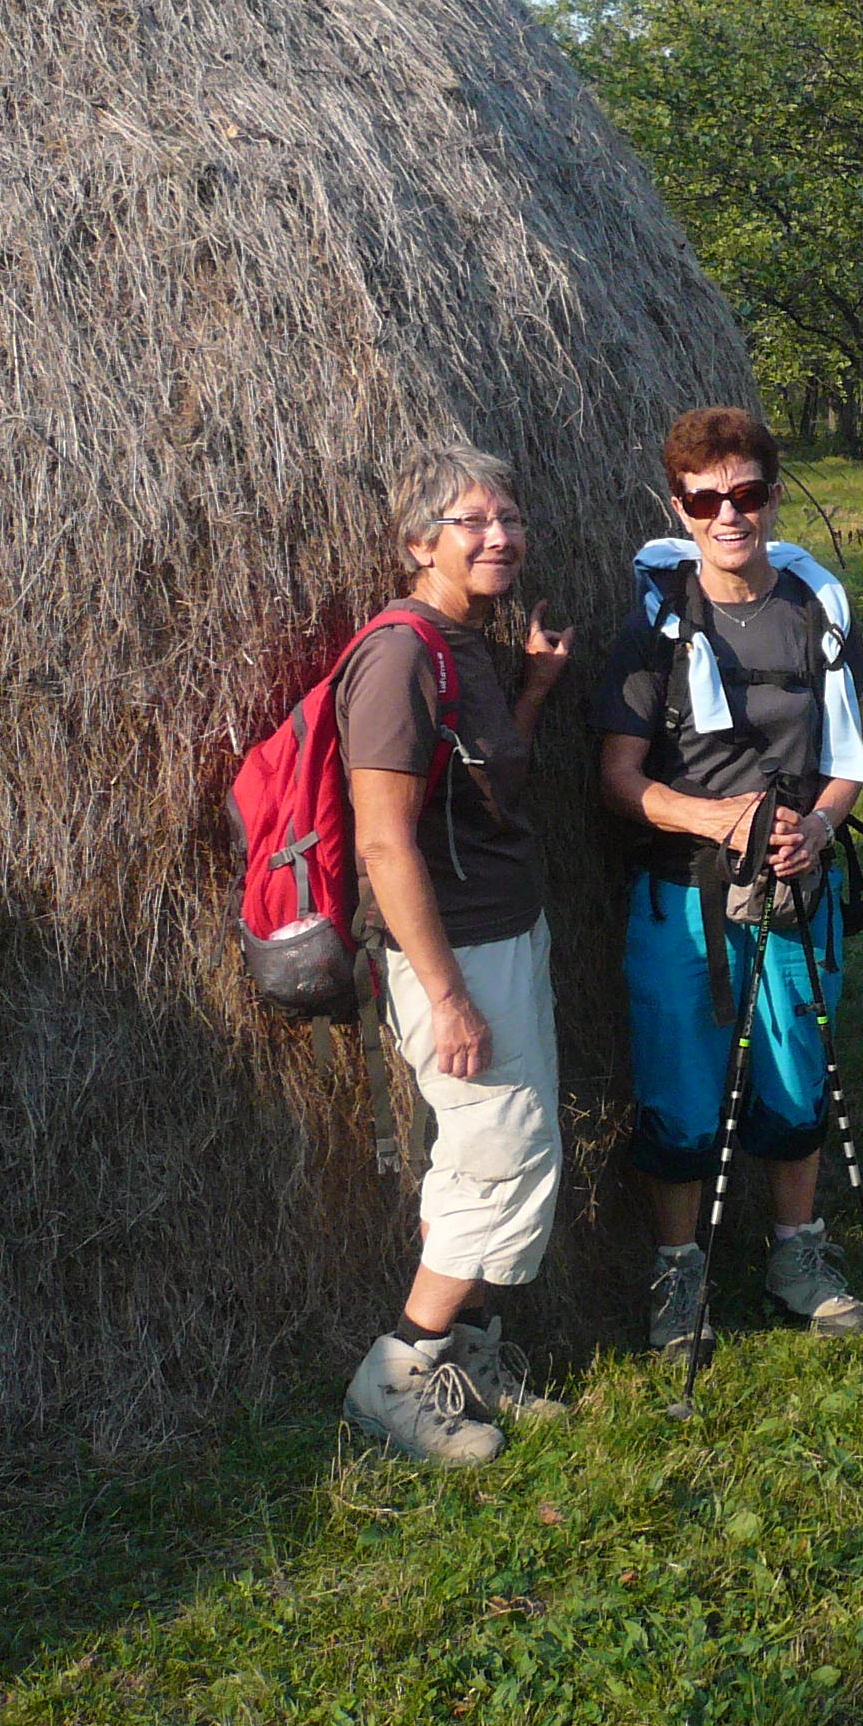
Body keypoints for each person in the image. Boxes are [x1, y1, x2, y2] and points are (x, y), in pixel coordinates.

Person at [598, 407, 863, 1356]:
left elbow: (848, 761)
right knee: (681, 1087)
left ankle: (796, 1254)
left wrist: (819, 827)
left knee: (799, 1075)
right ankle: (679, 1275)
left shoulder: (817, 611)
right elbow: (620, 778)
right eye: (707, 497)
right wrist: (713, 816)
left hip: (797, 885)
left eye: (747, 494)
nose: (730, 515)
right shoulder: (654, 627)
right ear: (678, 506)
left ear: (771, 493)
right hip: (683, 890)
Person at [339, 444, 574, 1467]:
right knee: (494, 1156)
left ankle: (465, 1353)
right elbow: (383, 839)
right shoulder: (397, 657)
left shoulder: (465, 642)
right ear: (416, 542)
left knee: (502, 1149)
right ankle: (396, 1372)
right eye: (471, 521)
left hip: (503, 931)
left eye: (508, 517)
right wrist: (447, 995)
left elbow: (484, 791)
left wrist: (534, 690)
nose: (498, 537)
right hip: (456, 954)